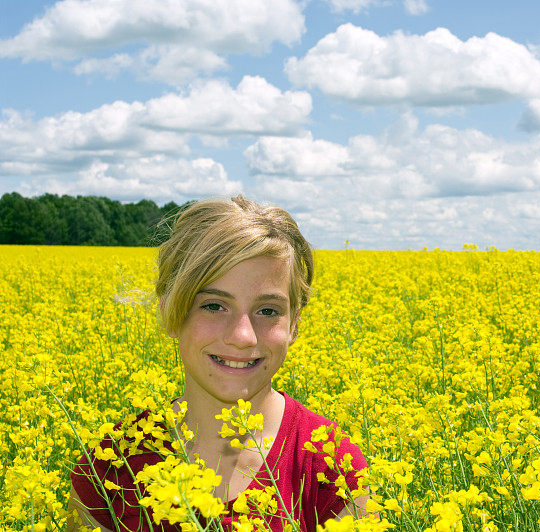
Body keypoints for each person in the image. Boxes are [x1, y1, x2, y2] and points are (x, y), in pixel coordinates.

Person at [68, 196, 369, 531]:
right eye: (213, 306)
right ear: (170, 312)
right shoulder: (109, 467)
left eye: (268, 310)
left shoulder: (331, 465)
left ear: (294, 325)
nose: (243, 336)